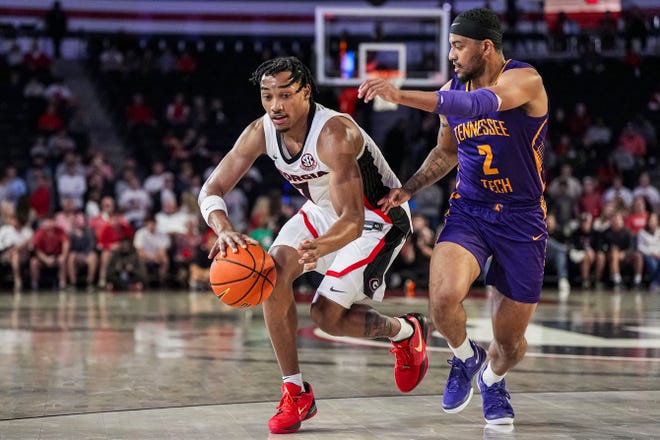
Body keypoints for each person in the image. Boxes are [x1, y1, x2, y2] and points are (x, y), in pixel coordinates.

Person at [198, 56, 428, 434]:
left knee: (326, 317)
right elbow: (212, 188)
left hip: (375, 220)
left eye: (286, 95)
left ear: (306, 93)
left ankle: (406, 332)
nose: (276, 105)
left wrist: (322, 246)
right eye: (267, 96)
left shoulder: (334, 134)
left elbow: (353, 219)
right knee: (270, 274)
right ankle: (295, 391)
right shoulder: (261, 131)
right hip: (322, 211)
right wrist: (222, 227)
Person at [358, 8, 549, 425]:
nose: (451, 55)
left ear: (486, 47)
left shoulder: (524, 80)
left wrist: (401, 95)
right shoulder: (451, 89)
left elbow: (478, 104)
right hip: (471, 210)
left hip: (522, 218)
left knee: (511, 343)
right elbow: (446, 152)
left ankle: (493, 379)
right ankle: (465, 357)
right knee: (443, 301)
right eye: (450, 45)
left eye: (459, 46)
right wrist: (408, 188)